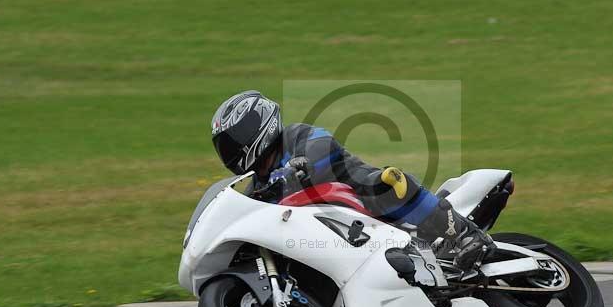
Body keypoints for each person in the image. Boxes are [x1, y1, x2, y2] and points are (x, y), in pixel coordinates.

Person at [210, 90, 493, 271]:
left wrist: (297, 168)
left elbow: (322, 150)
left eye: (232, 141)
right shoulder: (256, 186)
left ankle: (466, 234)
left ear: (257, 127)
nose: (229, 150)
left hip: (362, 201)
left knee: (389, 182)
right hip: (327, 239)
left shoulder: (297, 136)